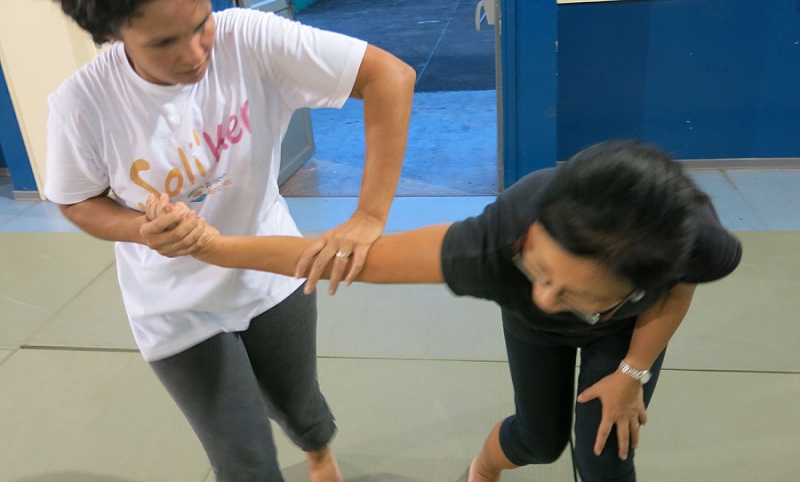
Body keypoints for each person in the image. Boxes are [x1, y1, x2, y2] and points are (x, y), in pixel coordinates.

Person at [44, 0, 415, 482]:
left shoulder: (247, 38)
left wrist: (369, 215)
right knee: (244, 462)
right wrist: (140, 229)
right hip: (173, 305)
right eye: (163, 43)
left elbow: (390, 77)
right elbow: (74, 199)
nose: (194, 55)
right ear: (113, 33)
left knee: (301, 406)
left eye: (200, 25)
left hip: (270, 268)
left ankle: (320, 456)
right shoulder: (82, 104)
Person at [147, 140, 742, 482]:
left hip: (626, 339)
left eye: (571, 290)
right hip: (535, 338)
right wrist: (212, 246)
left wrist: (633, 373)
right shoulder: (496, 240)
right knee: (540, 440)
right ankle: (482, 470)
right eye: (540, 271)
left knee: (606, 461)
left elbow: (677, 290)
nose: (545, 295)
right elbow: (351, 259)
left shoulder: (698, 243)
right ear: (531, 236)